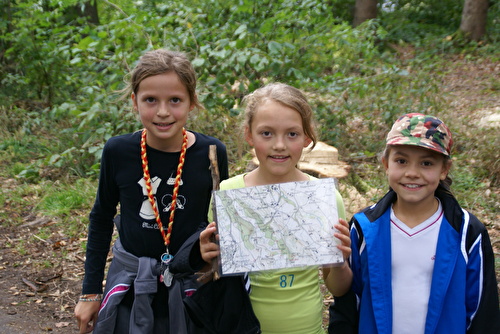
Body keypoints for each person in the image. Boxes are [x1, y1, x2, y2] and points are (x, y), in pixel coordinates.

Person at [74, 49, 229, 334]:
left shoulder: (211, 153)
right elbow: (100, 219)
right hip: (130, 285)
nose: (162, 112)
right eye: (150, 100)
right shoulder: (118, 151)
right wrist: (90, 292)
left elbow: (225, 224)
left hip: (191, 285)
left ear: (192, 102)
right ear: (134, 102)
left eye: (175, 100)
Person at [199, 83, 352, 334]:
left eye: (292, 134)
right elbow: (211, 275)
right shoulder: (228, 194)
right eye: (266, 133)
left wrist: (338, 262)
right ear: (249, 135)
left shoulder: (325, 199)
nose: (279, 145)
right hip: (241, 327)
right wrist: (205, 256)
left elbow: (338, 288)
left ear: (307, 137)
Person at [329, 113, 500, 334]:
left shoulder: (467, 231)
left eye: (426, 163)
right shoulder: (364, 228)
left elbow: (483, 311)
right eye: (401, 161)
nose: (412, 173)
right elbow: (348, 304)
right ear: (386, 164)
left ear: (444, 170)